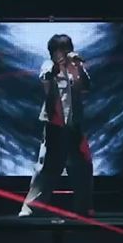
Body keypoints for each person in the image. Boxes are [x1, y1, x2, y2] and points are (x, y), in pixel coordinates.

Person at [19, 34, 93, 217]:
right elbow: (45, 77)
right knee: (46, 168)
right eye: (62, 49)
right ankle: (31, 209)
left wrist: (78, 67)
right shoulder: (48, 65)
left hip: (74, 125)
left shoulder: (76, 68)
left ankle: (83, 208)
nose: (66, 53)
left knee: (82, 167)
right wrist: (59, 65)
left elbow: (86, 87)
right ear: (54, 52)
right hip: (55, 125)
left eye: (68, 48)